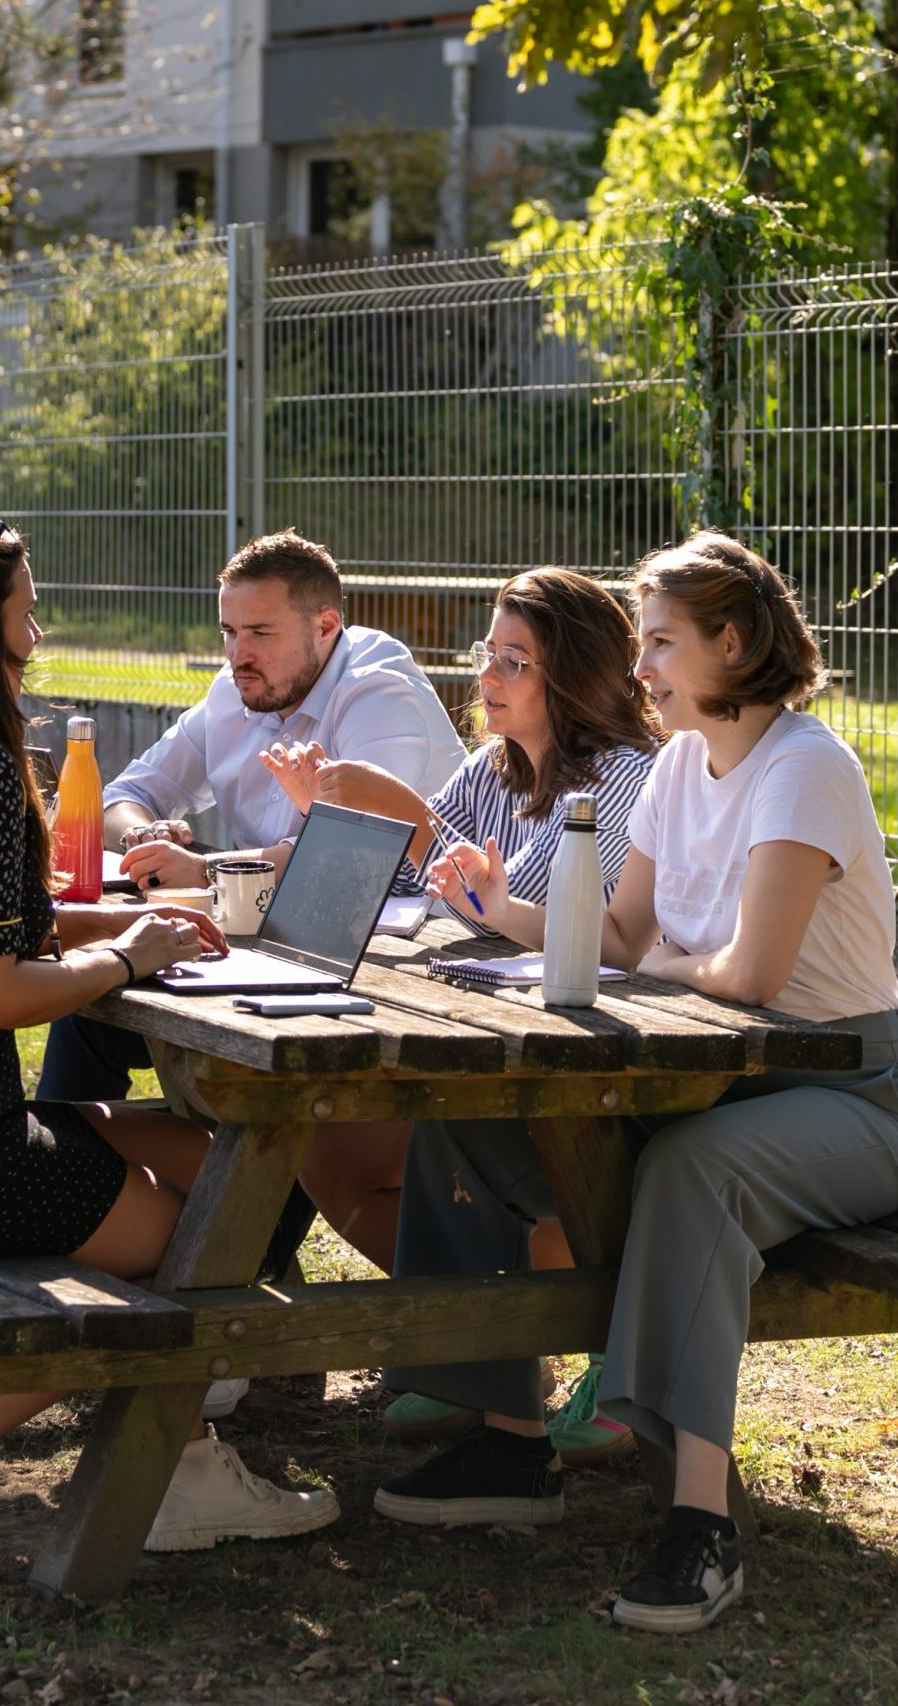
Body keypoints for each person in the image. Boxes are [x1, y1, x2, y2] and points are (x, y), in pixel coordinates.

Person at [372, 532, 898, 1635]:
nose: (641, 669)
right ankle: (505, 1434)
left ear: (732, 642)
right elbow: (621, 934)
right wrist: (499, 909)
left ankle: (699, 1521)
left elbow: (748, 973)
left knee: (691, 1167)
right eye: (641, 645)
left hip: (852, 1094)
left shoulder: (804, 764)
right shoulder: (679, 763)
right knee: (472, 1126)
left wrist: (663, 963)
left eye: (662, 643)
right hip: (716, 1080)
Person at [0, 510, 340, 1586]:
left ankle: (185, 1465)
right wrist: (125, 958)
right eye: (24, 604)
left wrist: (122, 922)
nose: (38, 623)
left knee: (189, 1149)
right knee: (194, 1242)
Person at [258, 568, 659, 1463]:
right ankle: (480, 1356)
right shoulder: (494, 770)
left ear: (578, 676)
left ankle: (583, 1360)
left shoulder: (632, 778)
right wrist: (335, 811)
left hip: (589, 1058)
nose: (489, 677)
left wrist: (466, 882)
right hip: (482, 1036)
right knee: (321, 1147)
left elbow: (596, 923)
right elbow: (414, 875)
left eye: (516, 660)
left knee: (506, 1156)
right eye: (489, 654)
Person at [34, 527, 465, 1107]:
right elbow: (126, 795)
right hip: (272, 945)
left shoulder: (378, 689)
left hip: (405, 966)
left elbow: (353, 852)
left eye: (260, 632)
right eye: (230, 632)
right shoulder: (235, 688)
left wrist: (207, 871)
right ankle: (63, 1183)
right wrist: (144, 835)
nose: (239, 654)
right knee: (92, 1014)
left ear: (326, 627)